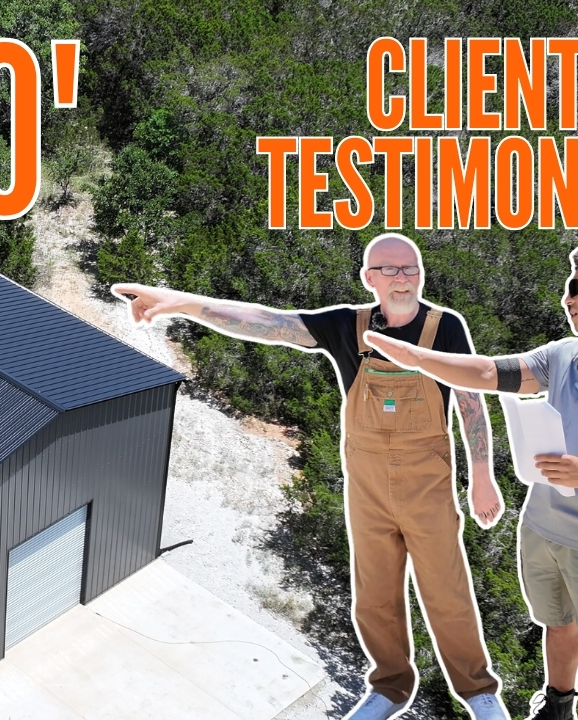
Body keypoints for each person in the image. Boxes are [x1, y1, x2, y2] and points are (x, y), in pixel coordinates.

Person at [114, 233, 509, 720]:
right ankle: (390, 688)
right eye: (390, 269)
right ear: (370, 278)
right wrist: (183, 302)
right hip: (367, 487)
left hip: (427, 485)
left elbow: (470, 399)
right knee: (374, 595)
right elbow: (270, 323)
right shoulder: (348, 325)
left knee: (447, 591)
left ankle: (478, 692)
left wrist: (482, 476)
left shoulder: (444, 327)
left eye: (411, 268)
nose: (403, 278)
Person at [364, 235, 578, 720]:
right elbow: (489, 373)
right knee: (558, 623)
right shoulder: (565, 354)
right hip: (543, 526)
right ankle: (557, 705)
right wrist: (421, 359)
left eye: (576, 286)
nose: (566, 298)